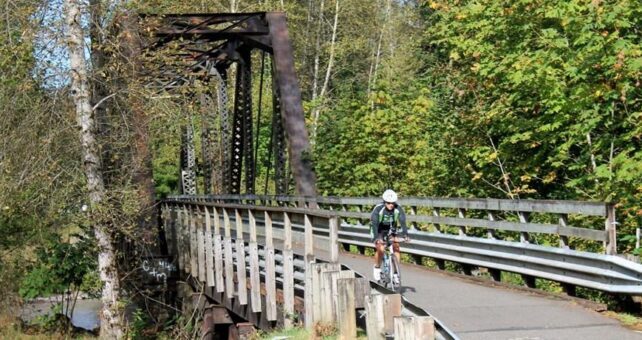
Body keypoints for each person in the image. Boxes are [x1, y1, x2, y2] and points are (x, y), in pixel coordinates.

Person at [370, 189, 408, 283]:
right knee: (381, 249)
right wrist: (376, 238)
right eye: (388, 203)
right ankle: (377, 267)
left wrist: (405, 234)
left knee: (396, 248)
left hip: (391, 230)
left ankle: (395, 273)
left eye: (392, 203)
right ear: (384, 202)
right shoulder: (378, 208)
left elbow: (402, 221)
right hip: (378, 230)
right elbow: (374, 224)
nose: (391, 205)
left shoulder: (398, 208)